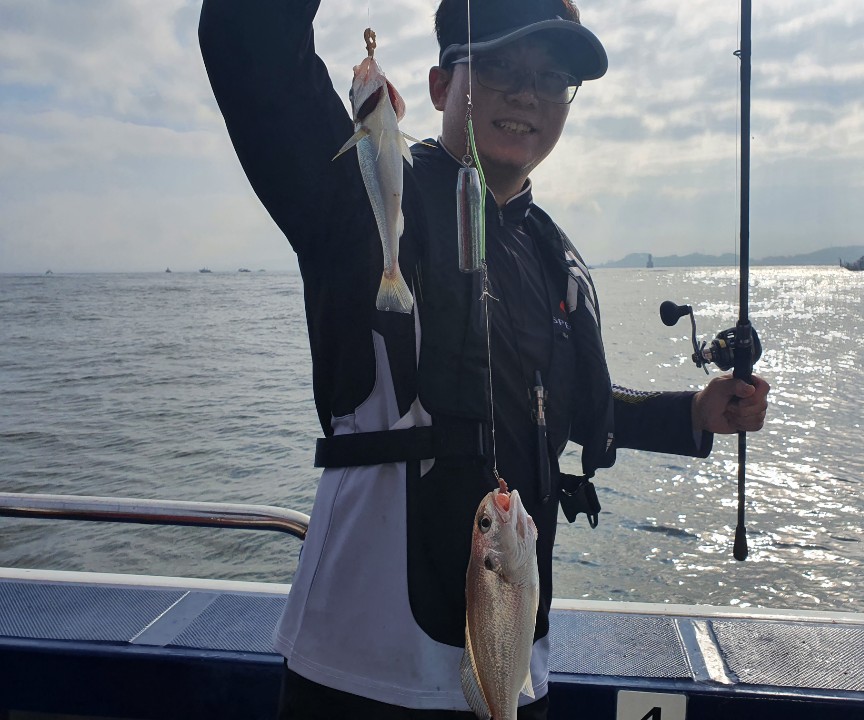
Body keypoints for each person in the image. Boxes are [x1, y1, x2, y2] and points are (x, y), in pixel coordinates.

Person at [199, 0, 770, 717]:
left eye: (551, 77)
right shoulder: (365, 193)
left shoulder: (551, 254)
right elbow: (247, 37)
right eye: (498, 66)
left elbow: (572, 409)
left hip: (514, 672)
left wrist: (691, 413)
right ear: (439, 86)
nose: (526, 93)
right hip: (362, 674)